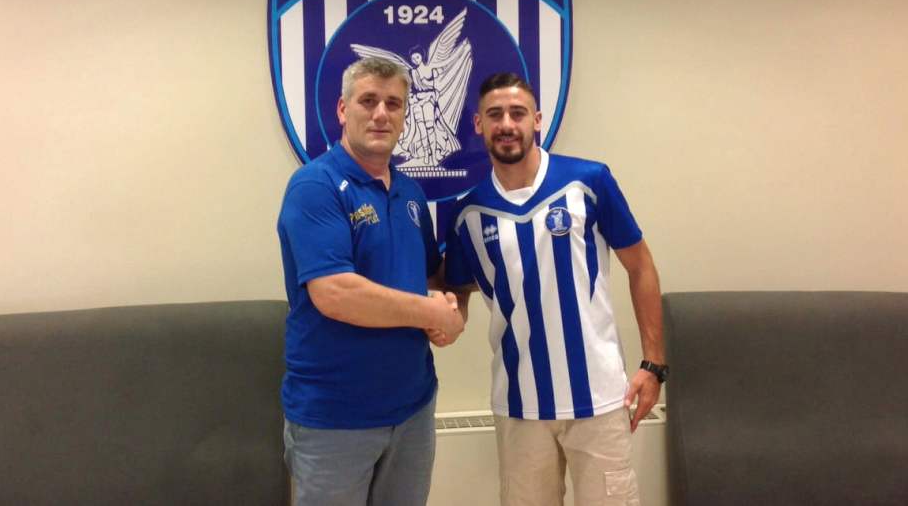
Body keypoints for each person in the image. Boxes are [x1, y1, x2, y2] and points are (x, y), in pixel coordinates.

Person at [443, 73, 666, 506]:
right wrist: (446, 315)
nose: (507, 124)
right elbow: (459, 288)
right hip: (519, 404)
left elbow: (641, 266)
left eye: (518, 113)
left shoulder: (589, 181)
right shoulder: (467, 212)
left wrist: (653, 365)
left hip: (599, 398)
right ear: (478, 124)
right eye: (495, 115)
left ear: (537, 120)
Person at [276, 57, 466, 506]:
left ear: (405, 115)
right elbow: (335, 293)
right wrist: (430, 311)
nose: (381, 113)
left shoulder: (410, 193)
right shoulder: (315, 186)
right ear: (343, 110)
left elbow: (431, 273)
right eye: (368, 101)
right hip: (334, 417)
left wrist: (455, 308)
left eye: (393, 104)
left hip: (413, 408)